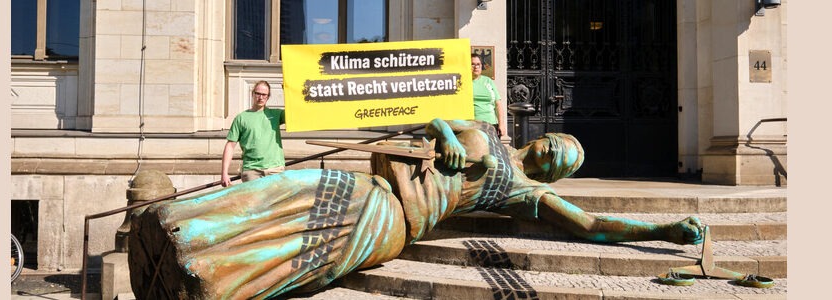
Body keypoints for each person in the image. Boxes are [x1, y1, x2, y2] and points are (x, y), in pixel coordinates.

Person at [131, 118, 703, 299]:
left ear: (558, 175)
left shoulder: (528, 195)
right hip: (372, 188)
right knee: (279, 192)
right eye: (562, 145)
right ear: (545, 135)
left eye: (568, 162)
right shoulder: (484, 133)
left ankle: (212, 280)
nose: (560, 155)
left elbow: (592, 225)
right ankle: (179, 225)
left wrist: (667, 229)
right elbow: (428, 119)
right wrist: (446, 136)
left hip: (391, 223)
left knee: (295, 251)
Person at [220, 80, 286, 187]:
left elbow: (296, 112)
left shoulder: (276, 114)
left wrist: (287, 91)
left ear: (268, 97)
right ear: (253, 94)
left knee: (275, 203)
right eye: (258, 93)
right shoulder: (241, 118)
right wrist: (224, 173)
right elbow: (230, 146)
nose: (260, 97)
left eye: (264, 95)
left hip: (275, 169)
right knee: (256, 203)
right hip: (252, 171)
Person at [471, 53, 506, 137]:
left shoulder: (488, 81)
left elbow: (498, 104)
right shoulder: (463, 82)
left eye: (478, 64)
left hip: (491, 124)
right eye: (472, 64)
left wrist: (501, 124)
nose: (476, 67)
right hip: (473, 125)